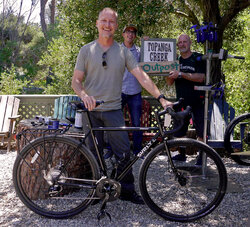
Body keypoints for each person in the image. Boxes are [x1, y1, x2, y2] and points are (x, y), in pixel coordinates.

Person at [72, 7, 172, 205]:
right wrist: (83, 95)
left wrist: (161, 97)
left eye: (111, 22)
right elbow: (76, 81)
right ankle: (96, 191)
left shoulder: (123, 52)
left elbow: (141, 76)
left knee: (124, 152)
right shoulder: (86, 50)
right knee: (94, 153)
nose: (107, 25)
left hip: (113, 110)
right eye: (104, 21)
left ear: (116, 26)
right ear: (97, 23)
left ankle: (126, 190)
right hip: (90, 112)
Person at [166, 34, 206, 165]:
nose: (182, 44)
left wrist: (181, 74)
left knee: (201, 130)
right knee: (179, 129)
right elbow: (169, 83)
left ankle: (201, 157)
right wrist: (171, 73)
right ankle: (181, 154)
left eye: (185, 42)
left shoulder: (197, 58)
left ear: (190, 43)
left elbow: (201, 77)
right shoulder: (175, 60)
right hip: (181, 101)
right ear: (177, 45)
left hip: (198, 100)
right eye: (180, 42)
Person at [121, 24, 142, 155]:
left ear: (135, 36)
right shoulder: (116, 50)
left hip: (135, 92)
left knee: (136, 123)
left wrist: (148, 43)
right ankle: (114, 150)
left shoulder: (140, 51)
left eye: (133, 32)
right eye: (128, 32)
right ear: (123, 34)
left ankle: (138, 151)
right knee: (115, 121)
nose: (130, 34)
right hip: (119, 91)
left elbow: (151, 62)